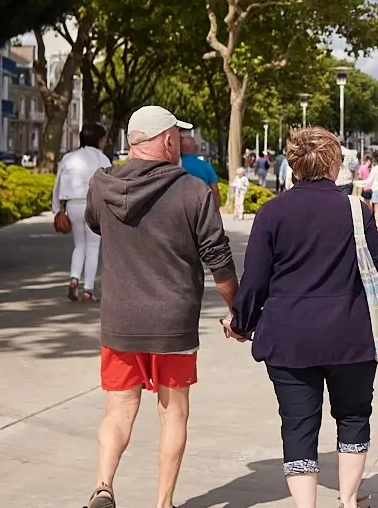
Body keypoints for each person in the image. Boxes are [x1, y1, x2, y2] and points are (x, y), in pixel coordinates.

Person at [224, 127, 378, 508]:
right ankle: (348, 499)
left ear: (293, 165)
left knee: (298, 424)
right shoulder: (355, 210)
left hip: (289, 337)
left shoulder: (272, 212)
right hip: (351, 335)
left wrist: (240, 323)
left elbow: (255, 280)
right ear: (334, 165)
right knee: (353, 416)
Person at [82, 106, 238, 508]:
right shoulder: (192, 191)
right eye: (178, 137)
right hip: (173, 322)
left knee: (118, 408)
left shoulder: (102, 184)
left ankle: (103, 486)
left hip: (120, 320)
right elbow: (218, 258)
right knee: (173, 414)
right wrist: (236, 308)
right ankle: (163, 503)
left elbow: (96, 224)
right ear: (167, 140)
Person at [53, 123, 112, 303]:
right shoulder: (103, 159)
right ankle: (88, 291)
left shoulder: (69, 158)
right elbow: (111, 185)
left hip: (73, 204)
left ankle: (74, 278)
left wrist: (57, 209)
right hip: (94, 205)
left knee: (79, 245)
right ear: (98, 140)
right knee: (93, 247)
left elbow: (57, 185)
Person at [179, 135, 219, 199]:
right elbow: (215, 191)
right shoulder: (206, 165)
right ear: (195, 148)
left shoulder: (176, 165)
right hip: (202, 202)